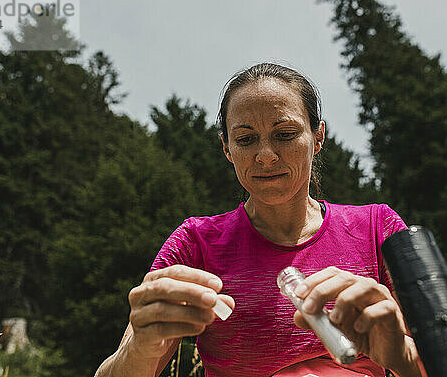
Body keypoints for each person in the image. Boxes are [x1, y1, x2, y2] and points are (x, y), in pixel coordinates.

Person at [94, 63, 425, 377]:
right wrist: (141, 345)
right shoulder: (197, 243)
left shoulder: (377, 227)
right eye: (245, 139)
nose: (265, 155)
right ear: (227, 148)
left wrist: (402, 355)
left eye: (284, 134)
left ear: (318, 137)